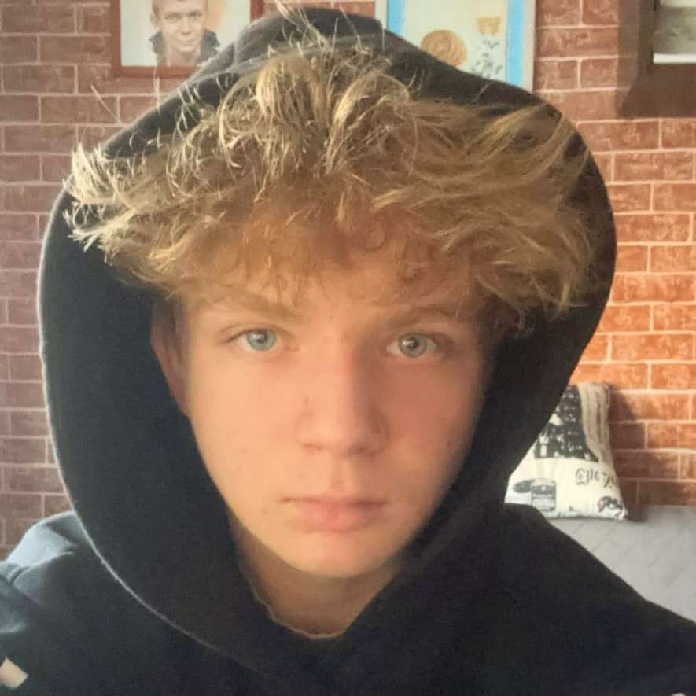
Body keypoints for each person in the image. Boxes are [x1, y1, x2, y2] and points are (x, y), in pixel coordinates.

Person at [1, 7, 695, 695]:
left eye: (414, 343)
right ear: (176, 360)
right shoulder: (55, 623)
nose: (342, 430)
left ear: (492, 366)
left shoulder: (590, 642)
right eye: (261, 337)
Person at [150, 0, 219, 67]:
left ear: (206, 16)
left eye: (194, 15)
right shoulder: (147, 65)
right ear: (155, 21)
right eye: (173, 17)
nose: (186, 29)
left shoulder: (221, 65)